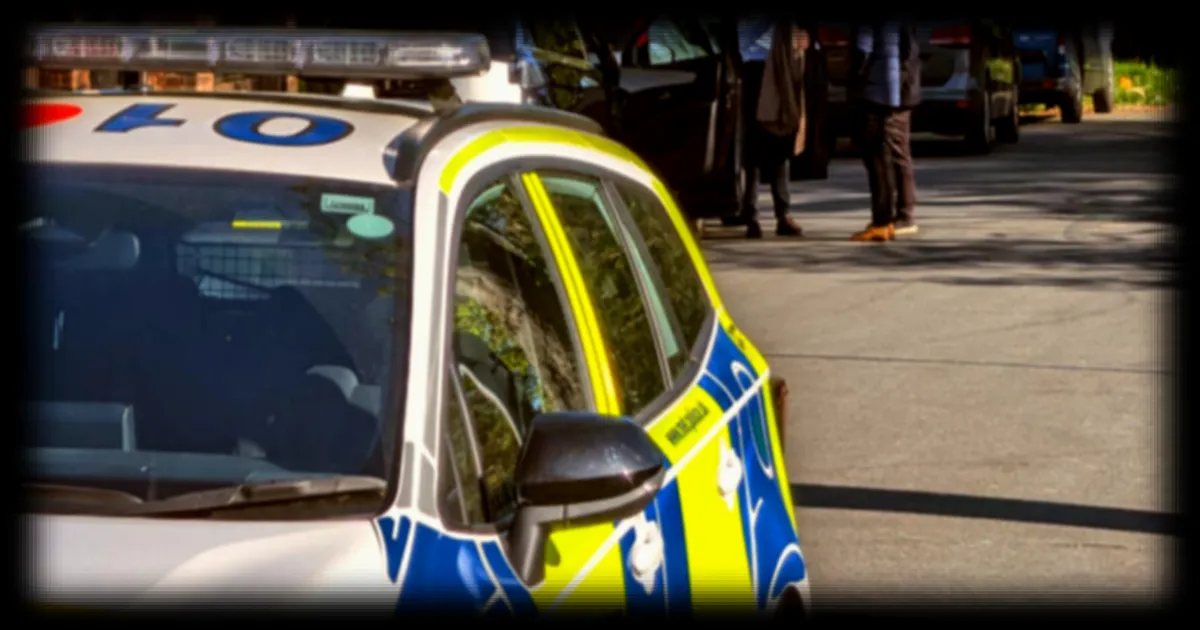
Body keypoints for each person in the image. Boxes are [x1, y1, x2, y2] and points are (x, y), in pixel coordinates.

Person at [738, 18, 818, 239]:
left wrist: (803, 39)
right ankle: (751, 215)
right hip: (756, 70)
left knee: (779, 142)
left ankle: (781, 214)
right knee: (754, 147)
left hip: (780, 68)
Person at [848, 19, 921, 242]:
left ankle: (883, 220)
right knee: (897, 153)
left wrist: (854, 81)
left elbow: (863, 48)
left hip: (878, 91)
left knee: (877, 157)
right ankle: (901, 216)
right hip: (900, 88)